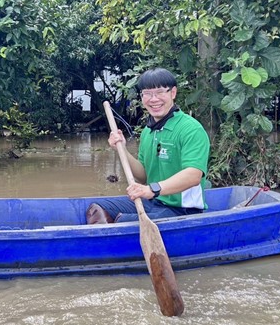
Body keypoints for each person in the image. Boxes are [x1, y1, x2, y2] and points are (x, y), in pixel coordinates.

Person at [86, 68, 211, 224]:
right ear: (142, 97)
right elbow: (144, 176)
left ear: (173, 93)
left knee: (124, 221)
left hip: (182, 209)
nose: (154, 99)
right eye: (148, 94)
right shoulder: (148, 131)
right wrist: (121, 149)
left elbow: (193, 176)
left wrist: (152, 189)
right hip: (153, 202)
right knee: (96, 209)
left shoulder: (190, 129)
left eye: (159, 92)